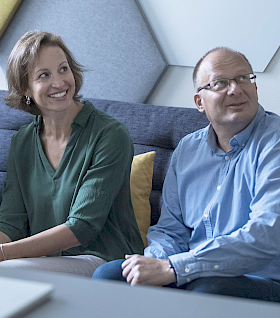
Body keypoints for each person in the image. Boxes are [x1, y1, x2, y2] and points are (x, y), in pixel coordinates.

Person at [93, 47, 280, 302]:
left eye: (243, 78)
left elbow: (266, 235)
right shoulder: (188, 149)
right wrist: (154, 263)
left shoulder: (274, 143)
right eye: (220, 83)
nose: (235, 89)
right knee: (110, 275)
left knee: (206, 293)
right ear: (199, 102)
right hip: (190, 272)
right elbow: (171, 230)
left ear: (255, 87)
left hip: (260, 279)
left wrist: (175, 268)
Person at [0, 31, 143, 275]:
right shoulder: (23, 141)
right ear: (25, 88)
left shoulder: (110, 135)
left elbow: (82, 227)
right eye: (44, 75)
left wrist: (0, 253)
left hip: (104, 261)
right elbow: (11, 223)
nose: (59, 82)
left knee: (8, 269)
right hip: (42, 260)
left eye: (63, 69)